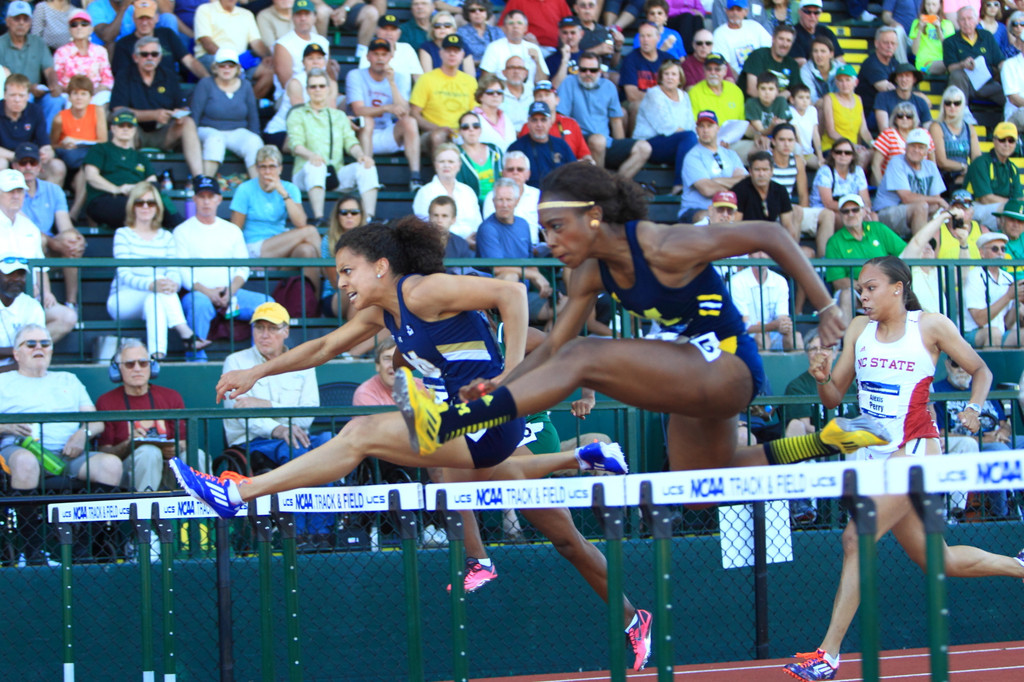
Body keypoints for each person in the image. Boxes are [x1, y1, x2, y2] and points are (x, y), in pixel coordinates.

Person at [170, 216, 654, 671]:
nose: (340, 283)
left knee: (362, 433)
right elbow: (322, 348)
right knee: (565, 537)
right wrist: (255, 370)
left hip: (491, 416)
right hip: (467, 424)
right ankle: (634, 617)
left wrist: (510, 377)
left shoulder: (425, 291)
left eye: (346, 271)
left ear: (380, 266)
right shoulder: (384, 313)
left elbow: (512, 292)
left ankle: (239, 493)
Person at [390, 162, 888, 497]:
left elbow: (772, 234)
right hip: (689, 376)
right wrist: (506, 381)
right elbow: (553, 347)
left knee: (587, 353)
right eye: (543, 232)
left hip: (729, 367)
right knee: (699, 487)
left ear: (594, 216)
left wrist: (823, 305)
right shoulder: (587, 273)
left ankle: (449, 421)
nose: (551, 242)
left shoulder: (661, 245)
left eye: (557, 227)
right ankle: (826, 441)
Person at [782, 255, 1024, 682]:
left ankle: (827, 654)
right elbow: (834, 398)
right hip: (876, 456)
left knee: (856, 537)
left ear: (898, 287)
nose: (862, 296)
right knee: (939, 560)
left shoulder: (929, 326)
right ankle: (1020, 567)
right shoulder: (859, 330)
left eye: (871, 287)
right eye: (859, 289)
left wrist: (973, 407)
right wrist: (821, 377)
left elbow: (981, 369)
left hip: (915, 453)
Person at [0, 324, 121, 564]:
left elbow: (95, 423)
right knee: (25, 463)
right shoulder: (3, 381)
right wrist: (5, 426)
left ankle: (84, 550)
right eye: (31, 344)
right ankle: (32, 553)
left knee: (111, 465)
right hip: (20, 450)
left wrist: (81, 435)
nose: (39, 348)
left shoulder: (69, 379)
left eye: (45, 344)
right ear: (16, 353)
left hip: (69, 453)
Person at [220, 301, 337, 548]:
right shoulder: (236, 361)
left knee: (329, 445)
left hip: (296, 436)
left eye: (272, 328)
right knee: (296, 451)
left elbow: (306, 417)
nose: (265, 335)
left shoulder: (303, 361)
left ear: (286, 331)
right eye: (259, 327)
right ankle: (298, 534)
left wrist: (265, 403)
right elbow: (239, 410)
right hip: (252, 442)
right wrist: (277, 428)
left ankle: (323, 533)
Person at [175, 175, 270, 363]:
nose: (206, 201)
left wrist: (230, 291)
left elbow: (243, 267)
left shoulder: (231, 230)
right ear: (194, 199)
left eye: (211, 196)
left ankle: (259, 362)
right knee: (198, 304)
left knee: (266, 305)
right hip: (199, 293)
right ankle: (196, 361)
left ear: (219, 199)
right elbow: (182, 272)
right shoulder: (182, 231)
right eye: (202, 196)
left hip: (231, 293)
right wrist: (208, 292)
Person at [96, 339, 210, 492]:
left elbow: (182, 442)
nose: (137, 369)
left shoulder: (171, 397)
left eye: (143, 363)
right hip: (129, 474)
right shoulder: (106, 402)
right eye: (130, 364)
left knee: (197, 455)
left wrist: (176, 448)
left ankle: (204, 508)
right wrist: (129, 444)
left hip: (170, 469)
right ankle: (145, 512)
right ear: (117, 369)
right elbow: (104, 452)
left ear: (152, 366)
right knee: (149, 452)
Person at [106, 182, 198, 359]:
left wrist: (173, 284)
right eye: (140, 202)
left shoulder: (166, 236)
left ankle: (157, 354)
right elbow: (125, 275)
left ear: (158, 207)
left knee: (155, 299)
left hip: (156, 296)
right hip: (123, 298)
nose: (146, 207)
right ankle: (185, 332)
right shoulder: (123, 234)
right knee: (156, 294)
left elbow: (174, 272)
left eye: (151, 202)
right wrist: (151, 284)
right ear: (132, 207)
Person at [932, 353, 1024, 519]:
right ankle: (1002, 513)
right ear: (946, 365)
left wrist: (1003, 432)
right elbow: (941, 433)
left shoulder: (980, 388)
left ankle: (1020, 502)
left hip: (998, 439)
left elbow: (1003, 421)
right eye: (955, 365)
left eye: (965, 365)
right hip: (973, 444)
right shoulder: (938, 390)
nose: (961, 369)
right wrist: (986, 439)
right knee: (1000, 451)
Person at [287, 68, 379, 231]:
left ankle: (369, 218)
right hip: (306, 172)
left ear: (328, 89)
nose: (317, 90)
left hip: (336, 172)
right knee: (316, 166)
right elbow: (295, 144)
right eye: (313, 86)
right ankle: (319, 217)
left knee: (367, 166)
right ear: (307, 90)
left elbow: (350, 142)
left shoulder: (339, 116)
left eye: (322, 86)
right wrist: (311, 156)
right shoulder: (297, 114)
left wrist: (361, 155)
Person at [109, 37, 204, 179]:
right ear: (135, 57)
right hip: (136, 133)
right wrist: (153, 115)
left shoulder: (169, 76)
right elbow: (118, 110)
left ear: (159, 57)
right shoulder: (124, 75)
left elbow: (181, 107)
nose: (149, 58)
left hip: (163, 132)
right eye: (144, 54)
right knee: (124, 121)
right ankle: (125, 175)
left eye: (154, 54)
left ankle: (199, 178)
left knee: (188, 123)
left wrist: (179, 115)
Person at [0, 168, 77, 344]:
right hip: (4, 295)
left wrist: (46, 292)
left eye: (19, 191)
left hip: (28, 297)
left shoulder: (30, 228)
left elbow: (41, 268)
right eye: (10, 191)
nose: (15, 196)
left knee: (67, 317)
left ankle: (23, 351)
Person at [476, 178, 560, 326]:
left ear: (516, 201)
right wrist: (534, 275)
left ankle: (547, 341)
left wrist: (541, 282)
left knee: (564, 303)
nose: (504, 204)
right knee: (511, 276)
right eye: (500, 200)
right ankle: (506, 333)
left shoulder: (523, 224)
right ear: (493, 202)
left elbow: (529, 261)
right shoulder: (487, 228)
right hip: (496, 296)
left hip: (524, 294)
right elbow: (498, 268)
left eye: (508, 199)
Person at [556, 52, 652, 179]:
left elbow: (616, 121)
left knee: (644, 148)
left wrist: (620, 147)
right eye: (583, 70)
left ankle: (614, 185)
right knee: (598, 141)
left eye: (593, 70)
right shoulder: (569, 83)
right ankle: (599, 186)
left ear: (600, 71)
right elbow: (561, 119)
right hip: (581, 142)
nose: (588, 74)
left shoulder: (609, 87)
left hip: (606, 142)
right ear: (578, 70)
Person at [15, 144, 86, 311]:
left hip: (48, 246)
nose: (28, 167)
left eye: (32, 163)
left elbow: (65, 226)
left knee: (71, 241)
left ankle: (71, 303)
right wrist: (53, 242)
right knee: (37, 240)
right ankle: (42, 300)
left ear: (40, 167)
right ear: (15, 166)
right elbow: (26, 230)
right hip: (22, 250)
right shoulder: (10, 193)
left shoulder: (53, 190)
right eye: (23, 163)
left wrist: (77, 237)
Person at [347, 37, 422, 192]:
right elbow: (358, 110)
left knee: (410, 122)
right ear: (368, 56)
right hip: (363, 135)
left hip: (388, 133)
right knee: (367, 120)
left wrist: (392, 83)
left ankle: (415, 177)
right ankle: (368, 175)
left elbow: (404, 111)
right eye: (376, 54)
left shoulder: (398, 77)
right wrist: (387, 108)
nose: (380, 58)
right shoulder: (355, 75)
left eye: (384, 54)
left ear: (391, 57)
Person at [83, 109, 179, 229]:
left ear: (134, 130)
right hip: (106, 198)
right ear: (112, 128)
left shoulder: (140, 156)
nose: (125, 129)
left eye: (129, 126)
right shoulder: (100, 149)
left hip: (138, 198)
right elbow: (91, 176)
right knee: (138, 209)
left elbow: (153, 183)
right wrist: (117, 189)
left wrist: (136, 190)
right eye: (121, 125)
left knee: (165, 209)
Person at [230, 145, 319, 267]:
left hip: (281, 243)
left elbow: (300, 222)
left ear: (280, 169)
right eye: (263, 167)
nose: (267, 172)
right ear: (257, 168)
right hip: (254, 246)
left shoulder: (289, 189)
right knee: (311, 231)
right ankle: (332, 280)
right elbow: (235, 229)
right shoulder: (245, 189)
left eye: (272, 166)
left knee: (307, 251)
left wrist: (282, 192)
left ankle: (320, 285)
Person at [824, 194, 907, 316]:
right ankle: (846, 335)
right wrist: (868, 287)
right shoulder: (834, 242)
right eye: (845, 211)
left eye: (855, 210)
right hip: (856, 289)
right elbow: (838, 281)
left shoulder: (879, 229)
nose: (851, 214)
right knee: (846, 295)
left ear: (863, 211)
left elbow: (904, 252)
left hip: (885, 285)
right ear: (840, 215)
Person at [191, 48, 262, 180]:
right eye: (222, 65)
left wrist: (255, 134)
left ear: (237, 68)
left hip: (237, 131)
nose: (226, 69)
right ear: (215, 68)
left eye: (231, 65)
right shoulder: (206, 84)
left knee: (254, 142)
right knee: (215, 140)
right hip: (209, 129)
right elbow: (195, 114)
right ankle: (206, 185)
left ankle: (257, 189)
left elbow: (253, 116)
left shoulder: (246, 86)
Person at [633, 59, 697, 196]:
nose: (670, 77)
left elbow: (690, 123)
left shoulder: (684, 96)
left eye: (674, 74)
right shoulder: (654, 94)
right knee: (690, 138)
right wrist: (690, 137)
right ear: (661, 77)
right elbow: (664, 127)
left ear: (680, 78)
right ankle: (678, 185)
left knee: (693, 140)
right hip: (651, 143)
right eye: (666, 74)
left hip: (678, 142)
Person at [0, 1, 65, 133]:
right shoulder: (0, 44)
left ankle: (45, 140)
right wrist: (29, 88)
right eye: (16, 19)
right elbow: (4, 76)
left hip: (38, 91)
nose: (21, 23)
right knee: (24, 98)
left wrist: (53, 84)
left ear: (30, 23)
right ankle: (20, 137)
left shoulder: (38, 42)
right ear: (7, 21)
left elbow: (49, 69)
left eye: (25, 19)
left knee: (56, 100)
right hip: (13, 93)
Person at [770, 122, 833, 255]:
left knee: (828, 215)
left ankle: (824, 265)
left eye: (790, 140)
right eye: (782, 140)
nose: (787, 144)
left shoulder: (797, 160)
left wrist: (800, 215)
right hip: (771, 212)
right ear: (773, 141)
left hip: (793, 213)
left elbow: (803, 194)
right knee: (795, 210)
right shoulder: (766, 160)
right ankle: (793, 257)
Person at [409, 34, 478, 154]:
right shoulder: (426, 79)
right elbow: (414, 113)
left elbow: (476, 111)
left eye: (456, 51)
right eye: (448, 50)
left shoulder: (470, 81)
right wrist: (436, 128)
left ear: (462, 55)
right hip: (431, 132)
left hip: (463, 131)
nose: (452, 54)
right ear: (440, 53)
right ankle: (441, 173)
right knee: (438, 136)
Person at [873, 128, 946, 238]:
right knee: (922, 207)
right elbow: (906, 198)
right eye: (913, 146)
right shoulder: (896, 162)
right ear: (905, 147)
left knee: (941, 212)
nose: (916, 150)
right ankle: (920, 250)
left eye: (921, 147)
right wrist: (938, 200)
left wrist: (938, 204)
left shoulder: (931, 167)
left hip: (914, 213)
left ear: (926, 151)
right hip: (887, 212)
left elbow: (935, 203)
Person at [192, 0, 273, 98]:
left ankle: (249, 105)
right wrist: (231, 60)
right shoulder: (205, 9)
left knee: (270, 71)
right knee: (228, 68)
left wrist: (267, 56)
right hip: (212, 57)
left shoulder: (246, 14)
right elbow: (206, 42)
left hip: (242, 60)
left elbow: (256, 42)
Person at [110, 0, 209, 81]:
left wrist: (207, 79)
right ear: (133, 19)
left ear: (157, 18)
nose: (144, 23)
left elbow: (189, 61)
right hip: (138, 92)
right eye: (140, 18)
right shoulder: (124, 44)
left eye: (148, 18)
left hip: (168, 88)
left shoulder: (167, 34)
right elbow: (122, 77)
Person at [679, 110, 747, 222]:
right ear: (697, 130)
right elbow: (707, 189)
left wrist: (716, 180)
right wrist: (732, 187)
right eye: (701, 126)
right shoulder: (692, 156)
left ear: (718, 128)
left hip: (728, 209)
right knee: (712, 217)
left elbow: (743, 181)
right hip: (696, 210)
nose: (705, 130)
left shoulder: (731, 154)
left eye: (709, 126)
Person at [961, 232, 1024, 348]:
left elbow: (1008, 323)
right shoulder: (975, 276)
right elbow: (980, 319)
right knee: (993, 333)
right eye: (995, 249)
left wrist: (1017, 301)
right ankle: (991, 367)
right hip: (973, 333)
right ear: (982, 253)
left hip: (1001, 331)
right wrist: (1008, 297)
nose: (1000, 253)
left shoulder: (1007, 277)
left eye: (1003, 249)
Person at [0, 74, 65, 185]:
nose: (17, 100)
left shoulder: (35, 110)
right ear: (5, 95)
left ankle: (44, 201)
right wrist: (17, 157)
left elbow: (45, 144)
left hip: (30, 161)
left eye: (21, 95)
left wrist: (46, 153)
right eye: (12, 95)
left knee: (57, 166)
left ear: (28, 96)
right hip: (7, 158)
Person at [730, 249, 802, 351]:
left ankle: (799, 367)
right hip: (747, 337)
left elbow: (782, 317)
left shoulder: (780, 281)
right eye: (757, 251)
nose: (761, 255)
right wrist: (772, 326)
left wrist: (785, 325)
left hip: (773, 333)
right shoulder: (736, 281)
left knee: (796, 338)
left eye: (765, 251)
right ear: (749, 256)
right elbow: (744, 327)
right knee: (762, 339)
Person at [412, 143, 482, 243]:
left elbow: (477, 224)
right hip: (438, 246)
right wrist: (461, 242)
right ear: (435, 165)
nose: (446, 165)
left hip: (470, 248)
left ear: (459, 165)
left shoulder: (468, 192)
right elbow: (424, 228)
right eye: (442, 161)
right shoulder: (425, 193)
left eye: (451, 161)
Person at [320, 195, 372, 328]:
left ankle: (350, 346)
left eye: (354, 212)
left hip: (362, 293)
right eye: (344, 212)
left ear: (361, 215)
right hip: (335, 297)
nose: (349, 216)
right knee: (354, 287)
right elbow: (334, 282)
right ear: (337, 216)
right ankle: (352, 345)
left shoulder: (370, 239)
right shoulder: (328, 240)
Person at [943, 5, 1006, 107]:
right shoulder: (950, 41)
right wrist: (962, 64)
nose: (967, 23)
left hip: (988, 85)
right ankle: (963, 112)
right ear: (958, 22)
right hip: (965, 85)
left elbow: (1000, 60)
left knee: (1011, 95)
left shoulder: (986, 36)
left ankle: (1010, 120)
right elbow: (950, 68)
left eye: (970, 18)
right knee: (957, 74)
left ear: (977, 20)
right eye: (962, 20)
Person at [507, 102, 578, 190]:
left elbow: (575, 173)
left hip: (559, 195)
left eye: (543, 120)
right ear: (528, 123)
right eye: (534, 120)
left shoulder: (561, 145)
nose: (539, 125)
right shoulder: (516, 148)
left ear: (550, 122)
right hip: (529, 197)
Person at [965, 121, 1021, 230]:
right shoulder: (981, 162)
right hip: (972, 207)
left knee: (1014, 210)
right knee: (1008, 210)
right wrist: (1013, 204)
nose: (1007, 144)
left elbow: (1018, 197)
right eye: (1002, 140)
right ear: (994, 140)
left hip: (997, 206)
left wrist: (1017, 203)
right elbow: (985, 198)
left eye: (1011, 141)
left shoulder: (1013, 168)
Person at [272, 0, 330, 104]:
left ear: (315, 17)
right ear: (292, 17)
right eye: (298, 14)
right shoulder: (283, 44)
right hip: (290, 97)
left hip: (320, 93)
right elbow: (287, 84)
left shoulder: (323, 42)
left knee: (342, 101)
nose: (303, 18)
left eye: (307, 14)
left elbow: (327, 74)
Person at [53, 10, 114, 107]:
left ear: (91, 29)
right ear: (69, 29)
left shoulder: (100, 51)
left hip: (95, 93)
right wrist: (76, 93)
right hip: (71, 95)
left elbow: (108, 80)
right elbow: (58, 82)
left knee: (106, 97)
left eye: (84, 24)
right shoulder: (61, 52)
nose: (79, 27)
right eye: (74, 24)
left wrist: (95, 91)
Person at [482, 152, 543, 247]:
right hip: (502, 247)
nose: (515, 172)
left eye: (520, 169)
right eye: (510, 169)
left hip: (533, 248)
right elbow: (490, 228)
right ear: (503, 173)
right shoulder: (492, 196)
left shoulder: (537, 195)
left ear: (528, 174)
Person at [734, 150, 797, 240]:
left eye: (765, 170)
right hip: (747, 239)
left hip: (772, 239)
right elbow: (736, 226)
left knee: (808, 252)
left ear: (771, 171)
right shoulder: (739, 190)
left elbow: (787, 225)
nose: (761, 174)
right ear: (750, 171)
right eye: (757, 170)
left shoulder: (780, 190)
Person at [929, 85, 980, 191]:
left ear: (962, 105)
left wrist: (970, 170)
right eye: (948, 103)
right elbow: (942, 162)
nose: (952, 106)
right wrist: (964, 167)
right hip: (945, 177)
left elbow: (977, 159)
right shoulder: (937, 127)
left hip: (965, 175)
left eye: (956, 103)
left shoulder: (969, 128)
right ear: (943, 105)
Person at [871, 101, 935, 184]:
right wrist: (882, 189)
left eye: (909, 116)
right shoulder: (888, 134)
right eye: (900, 116)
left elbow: (932, 164)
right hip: (893, 184)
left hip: (921, 183)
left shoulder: (924, 133)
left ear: (914, 118)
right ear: (895, 118)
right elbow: (876, 165)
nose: (904, 119)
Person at [0, 255, 44, 371]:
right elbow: (28, 350)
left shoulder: (31, 306)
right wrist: (19, 350)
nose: (16, 279)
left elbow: (35, 352)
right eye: (9, 274)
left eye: (20, 274)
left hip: (21, 376)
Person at [810, 137, 872, 219]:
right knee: (842, 219)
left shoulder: (858, 171)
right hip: (826, 212)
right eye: (839, 152)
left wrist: (865, 209)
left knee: (873, 217)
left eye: (847, 153)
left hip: (852, 210)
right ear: (833, 154)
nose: (843, 155)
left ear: (853, 156)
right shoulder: (825, 171)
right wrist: (853, 210)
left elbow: (865, 199)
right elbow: (828, 203)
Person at [738, 22, 801, 99]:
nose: (784, 44)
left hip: (780, 108)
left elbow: (797, 92)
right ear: (773, 39)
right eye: (781, 39)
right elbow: (752, 90)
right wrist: (779, 98)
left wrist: (788, 93)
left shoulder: (792, 64)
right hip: (754, 106)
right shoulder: (758, 55)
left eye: (788, 41)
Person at [855, 26, 901, 131]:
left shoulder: (894, 63)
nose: (890, 46)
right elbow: (887, 89)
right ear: (876, 43)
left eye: (893, 43)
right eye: (886, 43)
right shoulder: (871, 63)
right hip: (869, 115)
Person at [356, 13, 423, 82]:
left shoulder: (406, 48)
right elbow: (364, 77)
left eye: (393, 29)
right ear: (377, 31)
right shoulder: (369, 50)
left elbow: (418, 76)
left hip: (402, 92)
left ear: (399, 33)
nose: (389, 33)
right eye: (385, 29)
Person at [711, 0, 771, 75]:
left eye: (739, 10)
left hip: (761, 75)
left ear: (746, 11)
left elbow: (769, 48)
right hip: (736, 78)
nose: (735, 13)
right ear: (726, 11)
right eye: (731, 9)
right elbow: (724, 64)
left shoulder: (755, 26)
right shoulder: (719, 33)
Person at [456, 110, 504, 202]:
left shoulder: (494, 150)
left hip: (500, 203)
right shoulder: (456, 154)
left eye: (476, 126)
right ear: (460, 131)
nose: (471, 129)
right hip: (471, 206)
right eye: (465, 127)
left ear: (481, 129)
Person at [686, 52, 745, 125]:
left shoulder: (736, 91)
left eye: (717, 69)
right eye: (709, 69)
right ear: (704, 71)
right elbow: (695, 124)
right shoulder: (694, 93)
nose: (713, 73)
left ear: (725, 71)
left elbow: (741, 122)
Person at [873, 62, 933, 133]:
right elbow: (883, 129)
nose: (904, 79)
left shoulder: (921, 102)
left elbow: (928, 128)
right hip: (891, 141)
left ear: (914, 79)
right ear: (895, 79)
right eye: (900, 76)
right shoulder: (883, 97)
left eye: (907, 76)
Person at [418, 10, 475, 76]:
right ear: (433, 30)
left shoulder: (463, 46)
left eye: (447, 25)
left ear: (454, 29)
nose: (442, 28)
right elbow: (427, 77)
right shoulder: (426, 47)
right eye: (437, 26)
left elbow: (470, 77)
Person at [471, 75, 517, 152]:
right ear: (480, 96)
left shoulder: (506, 117)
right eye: (490, 92)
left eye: (499, 92)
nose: (495, 95)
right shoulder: (472, 118)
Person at [910, 0, 955, 75]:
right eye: (928, 4)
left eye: (934, 4)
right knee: (951, 64)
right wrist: (920, 29)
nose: (930, 8)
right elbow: (914, 51)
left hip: (942, 61)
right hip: (924, 64)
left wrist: (938, 29)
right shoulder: (916, 23)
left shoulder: (947, 24)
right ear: (924, 5)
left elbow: (948, 50)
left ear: (939, 5)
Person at [791, 0, 843, 65]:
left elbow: (840, 59)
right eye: (808, 12)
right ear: (800, 12)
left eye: (816, 13)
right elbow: (800, 63)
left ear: (821, 13)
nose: (812, 16)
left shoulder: (827, 32)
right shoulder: (793, 33)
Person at [457, 1, 504, 69]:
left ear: (487, 12)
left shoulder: (497, 32)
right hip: (471, 71)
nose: (477, 13)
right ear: (467, 14)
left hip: (496, 70)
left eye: (481, 10)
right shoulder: (461, 33)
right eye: (472, 10)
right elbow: (459, 58)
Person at [799, 35, 838, 105]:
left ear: (831, 54)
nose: (819, 55)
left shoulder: (840, 68)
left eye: (823, 51)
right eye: (815, 51)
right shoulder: (806, 70)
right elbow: (812, 99)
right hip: (817, 109)